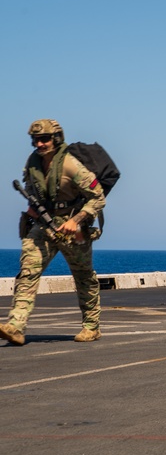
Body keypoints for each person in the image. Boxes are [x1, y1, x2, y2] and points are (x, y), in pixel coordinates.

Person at [1, 119, 106, 346]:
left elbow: (97, 197)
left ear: (56, 138)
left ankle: (91, 326)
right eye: (36, 140)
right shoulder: (33, 163)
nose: (40, 144)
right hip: (44, 226)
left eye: (45, 139)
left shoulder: (71, 165)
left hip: (73, 227)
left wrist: (76, 220)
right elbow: (31, 189)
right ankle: (16, 326)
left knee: (84, 276)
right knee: (28, 272)